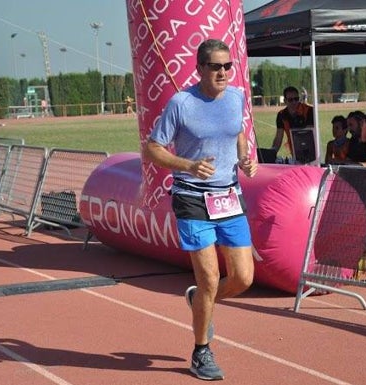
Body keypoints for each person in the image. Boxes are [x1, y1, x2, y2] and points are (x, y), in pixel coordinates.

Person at [144, 39, 257, 381]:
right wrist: (188, 165)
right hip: (192, 196)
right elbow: (152, 148)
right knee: (208, 277)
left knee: (243, 278)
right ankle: (200, 351)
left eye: (227, 66)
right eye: (215, 66)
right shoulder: (181, 103)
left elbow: (237, 132)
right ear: (200, 68)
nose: (223, 72)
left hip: (228, 197)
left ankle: (199, 302)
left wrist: (243, 159)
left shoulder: (237, 97)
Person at [271, 86, 314, 160]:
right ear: (285, 101)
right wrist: (271, 154)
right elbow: (278, 139)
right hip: (295, 154)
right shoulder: (281, 115)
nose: (294, 102)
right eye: (290, 100)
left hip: (312, 152)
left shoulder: (309, 110)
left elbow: (310, 134)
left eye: (296, 99)